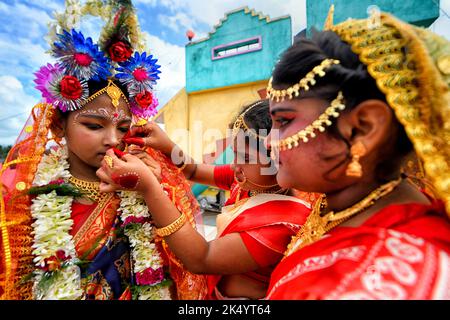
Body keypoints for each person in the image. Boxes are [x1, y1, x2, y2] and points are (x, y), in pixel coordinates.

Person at [0, 1, 206, 300]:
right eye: (95, 126)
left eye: (123, 128)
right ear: (59, 126)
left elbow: (185, 266)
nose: (113, 139)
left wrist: (158, 188)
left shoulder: (145, 181)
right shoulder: (18, 191)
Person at [264, 9, 450, 299]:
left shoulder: (371, 284)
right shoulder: (348, 207)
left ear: (362, 128)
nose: (269, 143)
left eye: (284, 121)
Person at [97, 100, 312, 299]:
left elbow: (202, 258)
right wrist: (166, 144)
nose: (235, 165)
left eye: (246, 158)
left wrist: (149, 187)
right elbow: (193, 170)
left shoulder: (284, 224)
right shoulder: (248, 181)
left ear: (281, 160)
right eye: (234, 153)